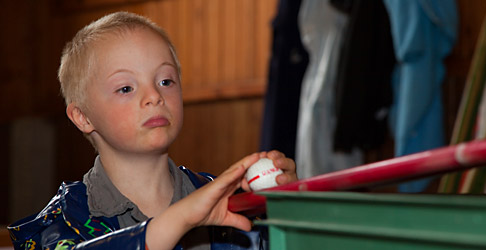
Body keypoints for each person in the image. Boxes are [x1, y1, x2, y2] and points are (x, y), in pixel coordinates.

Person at [8, 11, 297, 250]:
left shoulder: (226, 199)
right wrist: (181, 218)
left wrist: (290, 213)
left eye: (166, 81)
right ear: (82, 117)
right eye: (126, 88)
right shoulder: (59, 224)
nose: (154, 96)